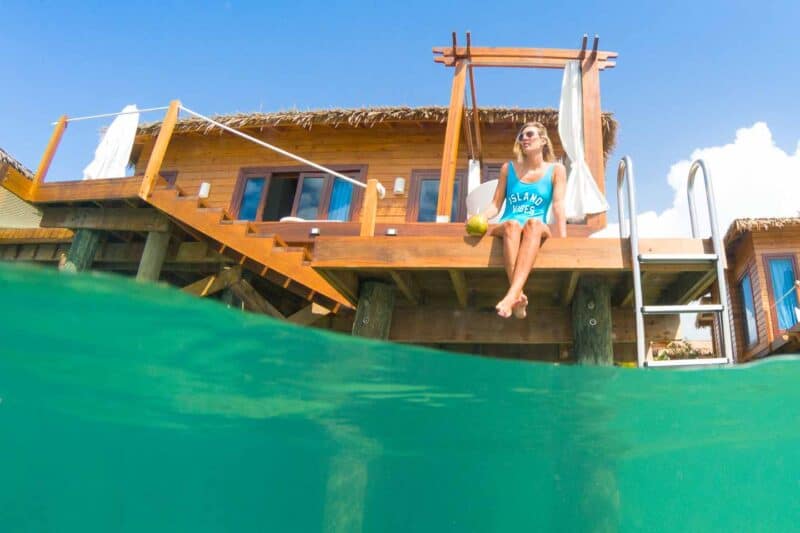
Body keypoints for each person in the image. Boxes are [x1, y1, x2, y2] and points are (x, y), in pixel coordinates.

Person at [478, 122, 567, 319]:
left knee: (533, 223)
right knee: (513, 224)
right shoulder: (507, 169)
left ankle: (512, 298)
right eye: (521, 136)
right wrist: (480, 217)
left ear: (543, 140)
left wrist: (564, 240)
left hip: (536, 227)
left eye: (529, 134)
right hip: (508, 224)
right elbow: (495, 205)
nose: (524, 138)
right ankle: (516, 297)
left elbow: (558, 205)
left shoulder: (556, 170)